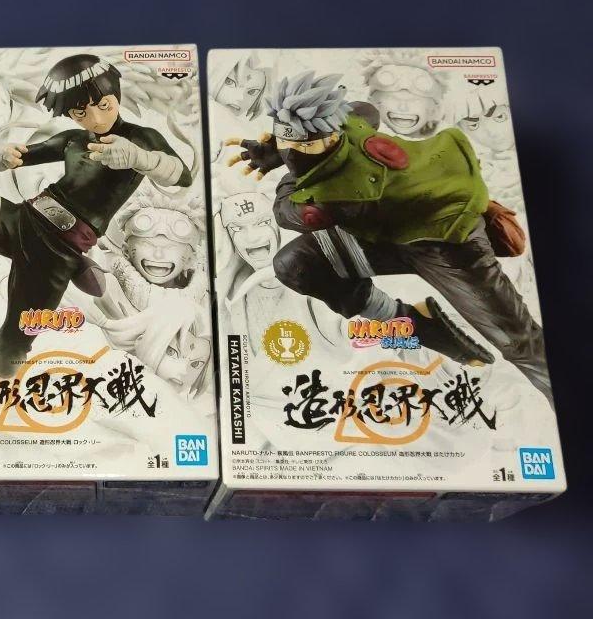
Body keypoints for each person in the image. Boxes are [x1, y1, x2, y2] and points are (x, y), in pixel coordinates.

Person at [225, 70, 551, 403]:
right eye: (286, 141)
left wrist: (283, 161)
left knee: (519, 343)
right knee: (295, 264)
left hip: (449, 242)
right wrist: (281, 146)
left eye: (303, 144)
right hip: (386, 230)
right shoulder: (348, 121)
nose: (292, 152)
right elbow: (365, 109)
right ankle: (414, 324)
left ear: (328, 139)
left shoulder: (338, 195)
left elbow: (287, 211)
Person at [0, 53, 192, 378]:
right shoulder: (73, 139)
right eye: (81, 112)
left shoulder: (140, 139)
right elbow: (23, 156)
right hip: (22, 220)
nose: (95, 118)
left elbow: (183, 176)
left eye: (103, 105)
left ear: (116, 95)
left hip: (56, 252)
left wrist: (141, 159)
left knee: (9, 349)